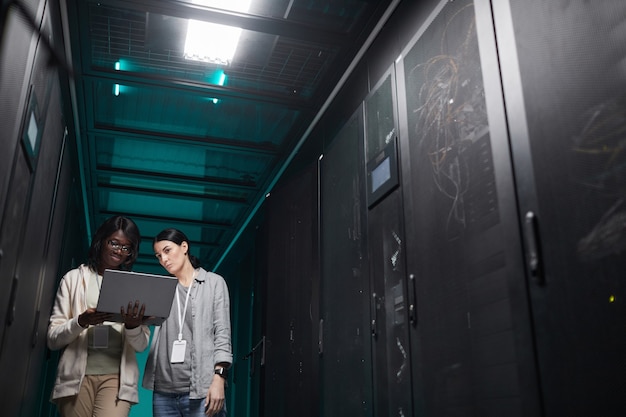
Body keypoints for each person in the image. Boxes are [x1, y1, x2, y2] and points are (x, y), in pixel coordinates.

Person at [47, 215, 151, 417]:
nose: (119, 251)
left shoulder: (135, 287)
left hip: (117, 380)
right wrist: (81, 322)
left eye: (126, 247)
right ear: (101, 241)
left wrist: (132, 326)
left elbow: (141, 346)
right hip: (76, 378)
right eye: (114, 243)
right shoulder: (73, 279)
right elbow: (53, 339)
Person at [143, 228, 233, 417]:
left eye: (167, 251)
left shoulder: (214, 283)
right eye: (159, 256)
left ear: (184, 247)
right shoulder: (160, 289)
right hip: (163, 392)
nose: (163, 260)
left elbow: (222, 334)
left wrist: (219, 379)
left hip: (202, 390)